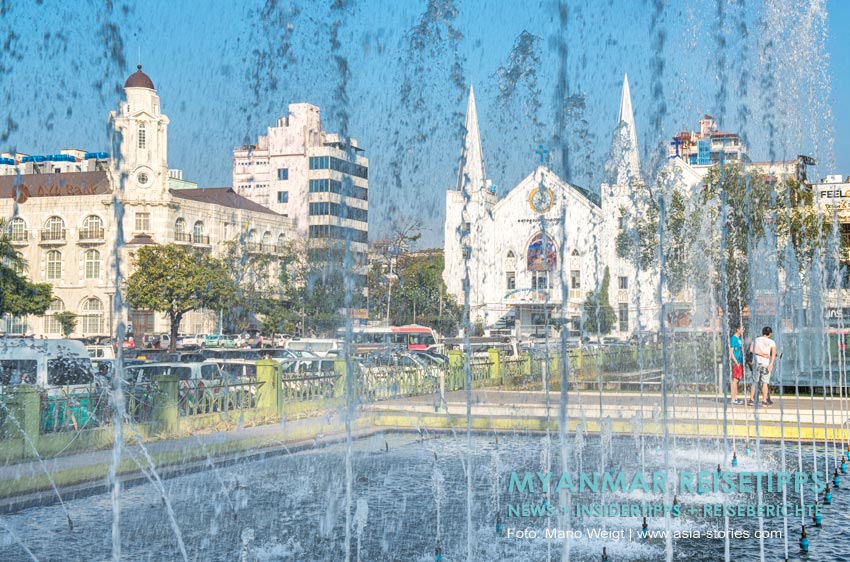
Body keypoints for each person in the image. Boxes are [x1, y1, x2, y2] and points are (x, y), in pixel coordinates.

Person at [748, 326, 777, 406]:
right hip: (765, 364)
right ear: (770, 333)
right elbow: (773, 354)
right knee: (765, 382)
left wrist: (761, 354)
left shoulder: (756, 340)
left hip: (756, 363)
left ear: (762, 332)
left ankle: (751, 399)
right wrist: (771, 364)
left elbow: (751, 350)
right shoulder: (772, 342)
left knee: (755, 382)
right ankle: (764, 400)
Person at [729, 325, 744, 405]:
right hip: (736, 362)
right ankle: (733, 398)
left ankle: (735, 398)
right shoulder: (733, 338)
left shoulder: (739, 339)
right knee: (734, 381)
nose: (743, 330)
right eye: (742, 329)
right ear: (738, 329)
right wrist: (736, 362)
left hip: (740, 362)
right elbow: (731, 352)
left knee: (737, 381)